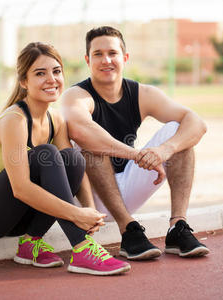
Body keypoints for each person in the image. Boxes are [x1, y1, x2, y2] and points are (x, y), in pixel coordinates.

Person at [0, 42, 130, 276]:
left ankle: (30, 243)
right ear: (23, 82)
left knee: (72, 158)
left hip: (18, 217)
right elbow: (20, 188)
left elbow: (72, 172)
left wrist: (89, 210)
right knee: (46, 154)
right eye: (40, 73)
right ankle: (81, 249)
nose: (51, 79)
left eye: (56, 71)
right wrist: (76, 214)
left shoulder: (56, 120)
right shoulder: (15, 120)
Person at [61, 26, 210, 261]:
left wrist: (164, 150)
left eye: (112, 53)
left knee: (178, 133)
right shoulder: (77, 95)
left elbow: (197, 123)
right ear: (88, 60)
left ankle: (177, 227)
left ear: (125, 58)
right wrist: (136, 155)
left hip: (126, 187)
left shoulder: (141, 93)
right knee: (91, 144)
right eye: (98, 54)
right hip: (90, 197)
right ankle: (128, 230)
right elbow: (80, 130)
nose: (106, 60)